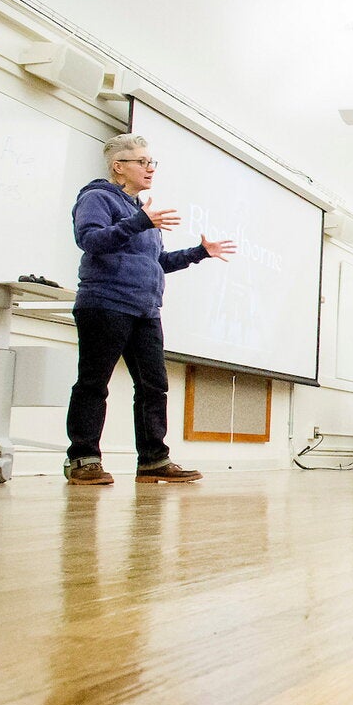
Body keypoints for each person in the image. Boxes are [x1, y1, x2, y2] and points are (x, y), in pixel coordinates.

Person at [64, 134, 236, 485]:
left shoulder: (141, 212)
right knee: (93, 384)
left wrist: (198, 253)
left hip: (145, 310)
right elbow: (90, 240)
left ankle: (153, 460)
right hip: (105, 303)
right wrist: (140, 222)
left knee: (154, 386)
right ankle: (83, 459)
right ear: (118, 166)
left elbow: (157, 261)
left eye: (151, 162)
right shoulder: (97, 198)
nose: (150, 168)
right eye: (142, 162)